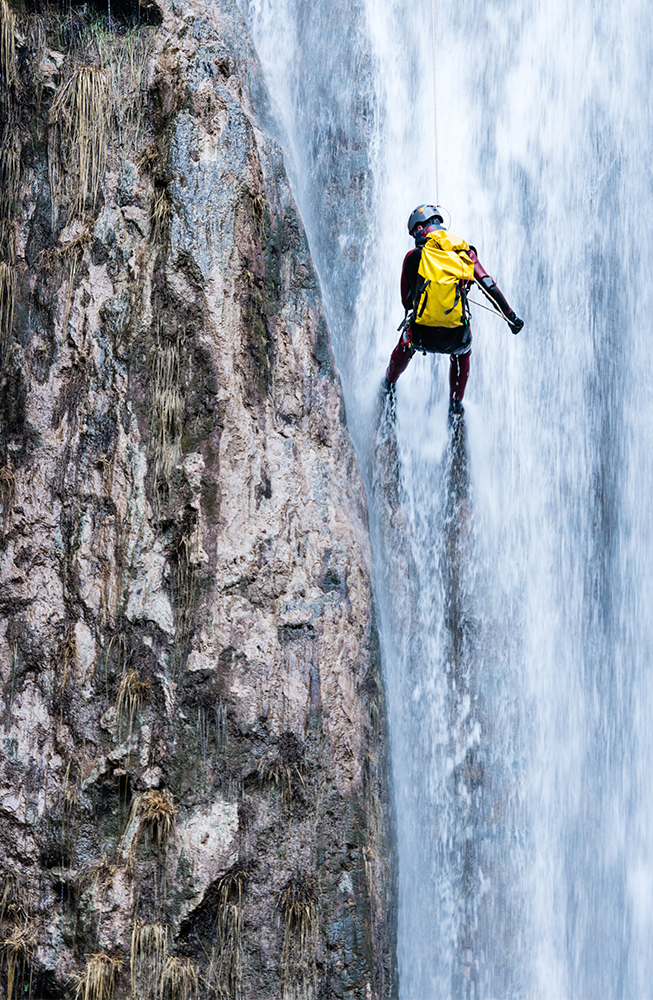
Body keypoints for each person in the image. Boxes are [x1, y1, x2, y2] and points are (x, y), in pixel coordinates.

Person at [381, 205, 523, 416]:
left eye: (414, 232)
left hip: (421, 335)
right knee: (463, 351)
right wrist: (511, 317)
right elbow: (488, 285)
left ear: (420, 228)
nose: (414, 236)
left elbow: (406, 303)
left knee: (406, 340)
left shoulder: (412, 257)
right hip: (455, 338)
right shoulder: (464, 253)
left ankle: (387, 384)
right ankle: (455, 405)